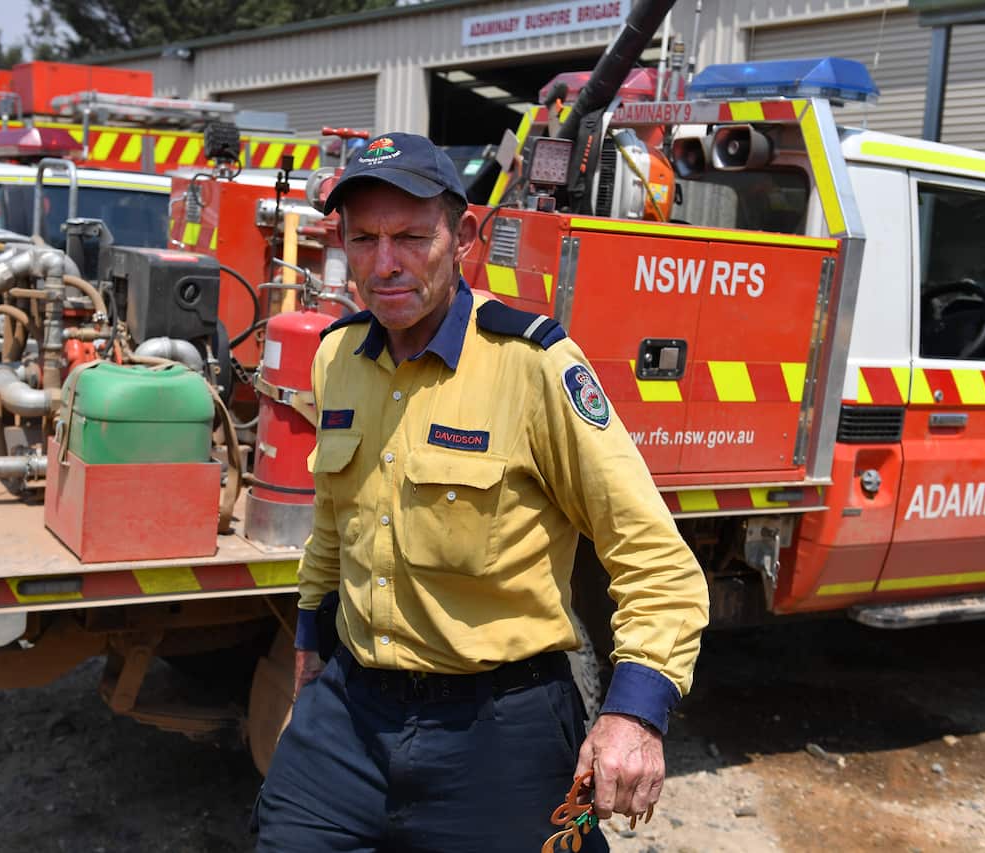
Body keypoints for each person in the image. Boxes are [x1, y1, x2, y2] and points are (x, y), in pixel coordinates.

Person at [254, 131, 709, 852]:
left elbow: (659, 564)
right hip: (348, 715)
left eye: (409, 236)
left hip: (500, 731)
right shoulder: (338, 354)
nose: (385, 263)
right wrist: (310, 635)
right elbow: (335, 521)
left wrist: (634, 716)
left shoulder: (531, 364)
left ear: (462, 236)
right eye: (364, 238)